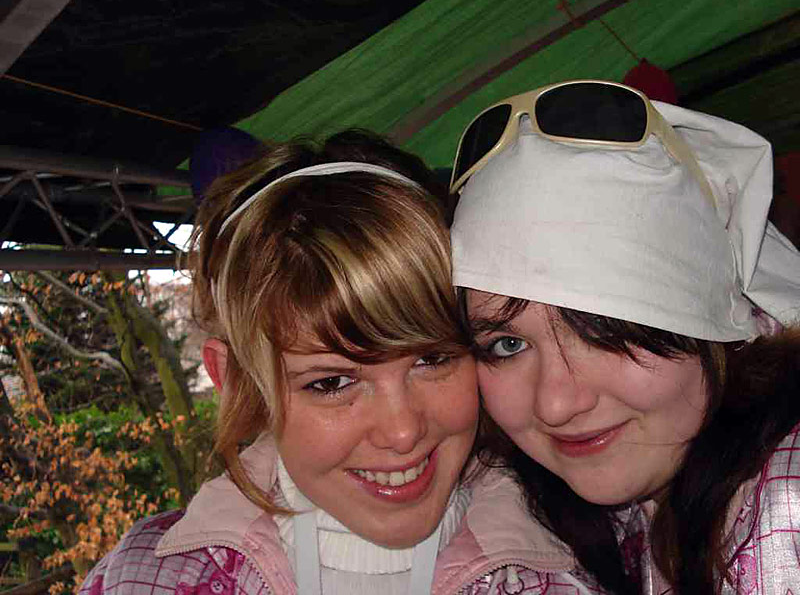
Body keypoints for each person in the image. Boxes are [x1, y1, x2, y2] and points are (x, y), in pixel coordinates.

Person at [79, 130, 602, 595]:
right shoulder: (140, 579)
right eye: (331, 383)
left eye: (433, 358)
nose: (402, 432)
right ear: (237, 382)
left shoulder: (585, 568)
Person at [449, 80, 800, 594]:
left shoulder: (788, 498)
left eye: (600, 330)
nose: (555, 404)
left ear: (710, 319)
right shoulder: (622, 509)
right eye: (508, 344)